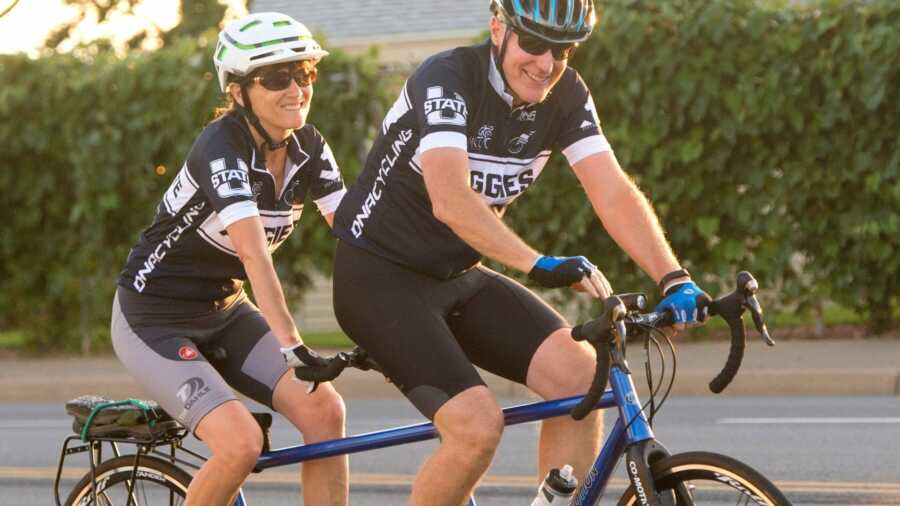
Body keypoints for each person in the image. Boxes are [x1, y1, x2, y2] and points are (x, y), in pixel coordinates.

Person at [330, 0, 710, 504]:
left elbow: (612, 191)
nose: (546, 63)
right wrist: (537, 264)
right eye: (532, 43)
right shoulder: (446, 78)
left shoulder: (567, 95)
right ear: (498, 29)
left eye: (563, 50)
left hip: (456, 273)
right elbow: (451, 200)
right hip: (378, 279)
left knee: (580, 377)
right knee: (476, 427)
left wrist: (673, 275)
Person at [111, 12, 349, 506]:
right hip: (153, 319)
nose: (296, 89)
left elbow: (358, 234)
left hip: (224, 311)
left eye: (304, 73)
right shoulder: (222, 147)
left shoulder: (310, 145)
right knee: (239, 443)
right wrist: (293, 345)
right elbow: (253, 253)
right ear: (238, 92)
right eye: (276, 78)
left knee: (325, 413)